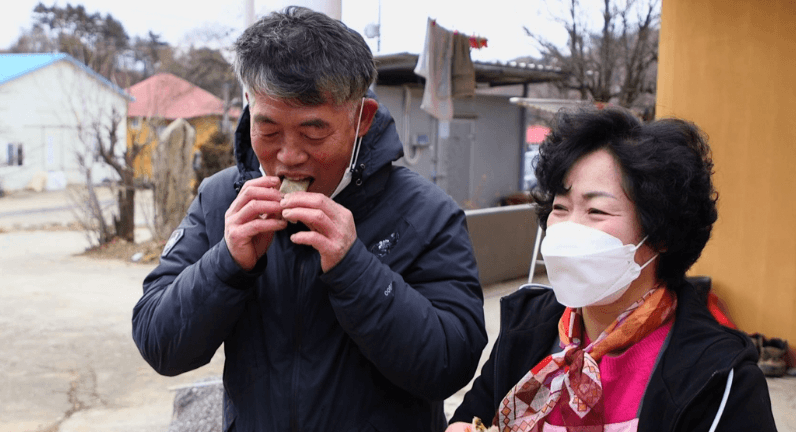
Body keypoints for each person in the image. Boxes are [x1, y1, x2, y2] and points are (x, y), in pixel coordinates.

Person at [132, 7, 487, 432]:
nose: (288, 155)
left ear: (361, 118)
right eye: (268, 130)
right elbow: (159, 343)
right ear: (248, 106)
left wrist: (355, 269)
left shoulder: (426, 212)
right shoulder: (221, 200)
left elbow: (451, 364)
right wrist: (226, 263)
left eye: (313, 132)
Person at [447, 107, 777, 431]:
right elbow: (473, 412)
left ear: (660, 234)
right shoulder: (527, 328)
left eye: (596, 211)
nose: (569, 228)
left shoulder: (720, 376)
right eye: (560, 207)